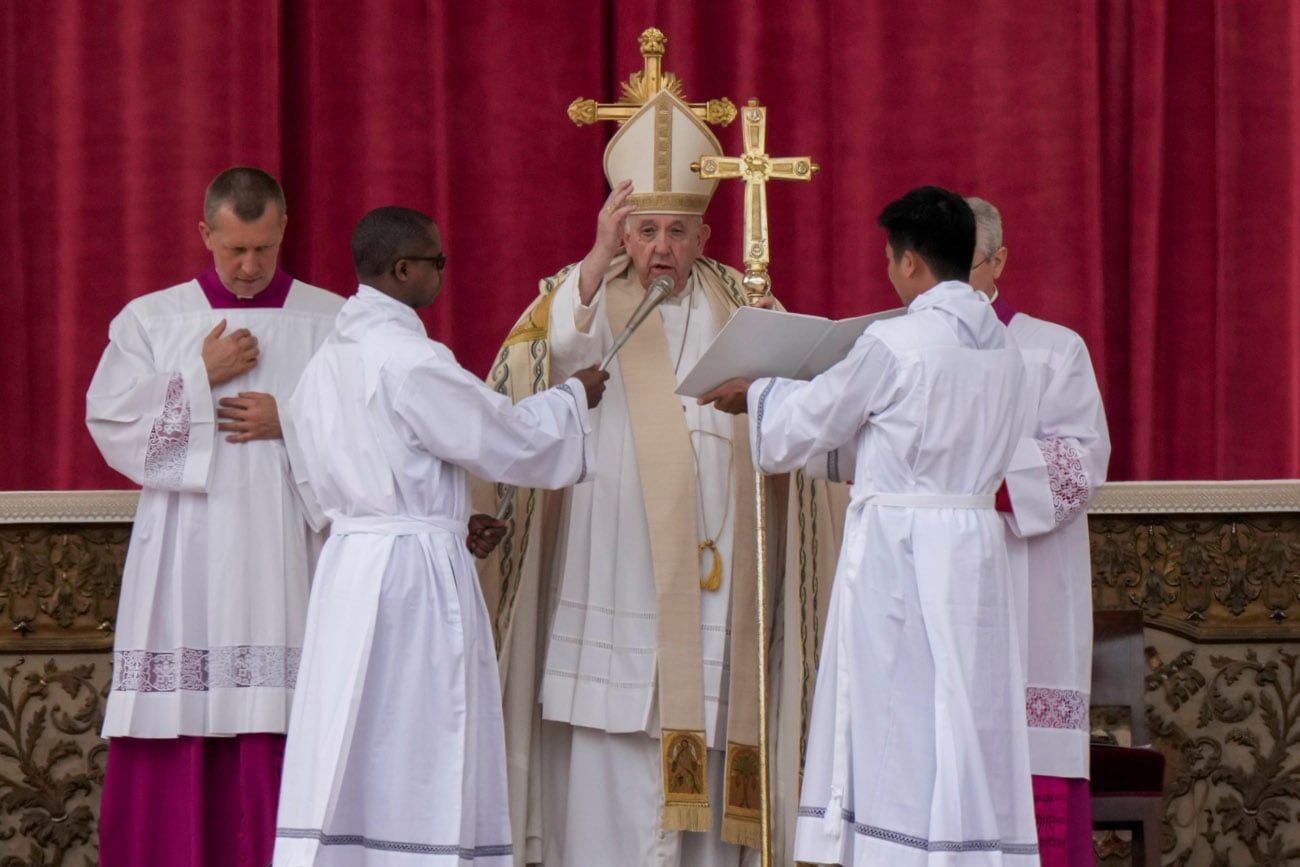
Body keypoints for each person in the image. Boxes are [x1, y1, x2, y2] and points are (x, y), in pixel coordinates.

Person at [477, 88, 845, 866]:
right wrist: (593, 260)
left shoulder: (742, 304)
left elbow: (804, 417)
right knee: (609, 754)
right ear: (621, 230)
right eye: (644, 230)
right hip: (614, 572)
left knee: (708, 747)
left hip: (718, 585)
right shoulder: (584, 299)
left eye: (676, 231)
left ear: (705, 232)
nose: (661, 249)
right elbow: (525, 371)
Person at [701, 185, 1041, 865]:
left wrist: (757, 393)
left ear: (911, 262)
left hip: (903, 551)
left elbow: (811, 421)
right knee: (964, 708)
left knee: (899, 711)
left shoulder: (896, 342)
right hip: (972, 547)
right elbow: (892, 438)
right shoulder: (1004, 348)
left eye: (891, 257)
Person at [271, 206, 607, 866]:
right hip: (410, 579)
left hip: (349, 568)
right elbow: (499, 436)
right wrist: (571, 398)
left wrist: (446, 516)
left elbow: (316, 476)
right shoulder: (410, 358)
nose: (444, 273)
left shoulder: (325, 360)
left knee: (350, 731)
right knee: (421, 730)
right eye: (437, 261)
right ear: (403, 270)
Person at [86, 166, 344, 867]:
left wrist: (289, 421)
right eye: (234, 249)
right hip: (186, 556)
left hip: (288, 556)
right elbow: (109, 422)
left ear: (284, 228)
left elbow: (372, 434)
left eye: (263, 247)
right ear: (206, 234)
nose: (250, 265)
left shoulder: (331, 321)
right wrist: (198, 378)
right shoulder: (154, 320)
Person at [967, 196, 1111, 866]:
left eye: (968, 262)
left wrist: (979, 474)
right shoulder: (900, 346)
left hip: (1028, 585)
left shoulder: (1053, 350)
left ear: (1000, 261)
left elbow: (1081, 457)